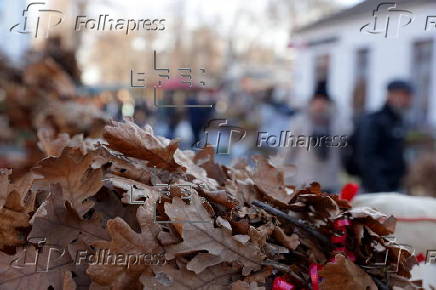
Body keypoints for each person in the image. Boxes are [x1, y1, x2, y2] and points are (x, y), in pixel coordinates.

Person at [276, 90, 348, 193]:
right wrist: (284, 177)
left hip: (330, 182)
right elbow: (286, 151)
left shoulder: (337, 124)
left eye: (323, 102)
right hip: (304, 182)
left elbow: (343, 150)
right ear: (311, 104)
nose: (320, 106)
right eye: (317, 102)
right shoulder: (299, 123)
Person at [357, 80, 413, 193]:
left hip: (393, 187)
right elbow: (366, 157)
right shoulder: (374, 121)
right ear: (390, 95)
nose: (407, 100)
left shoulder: (398, 121)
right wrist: (381, 189)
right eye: (404, 95)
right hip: (376, 189)